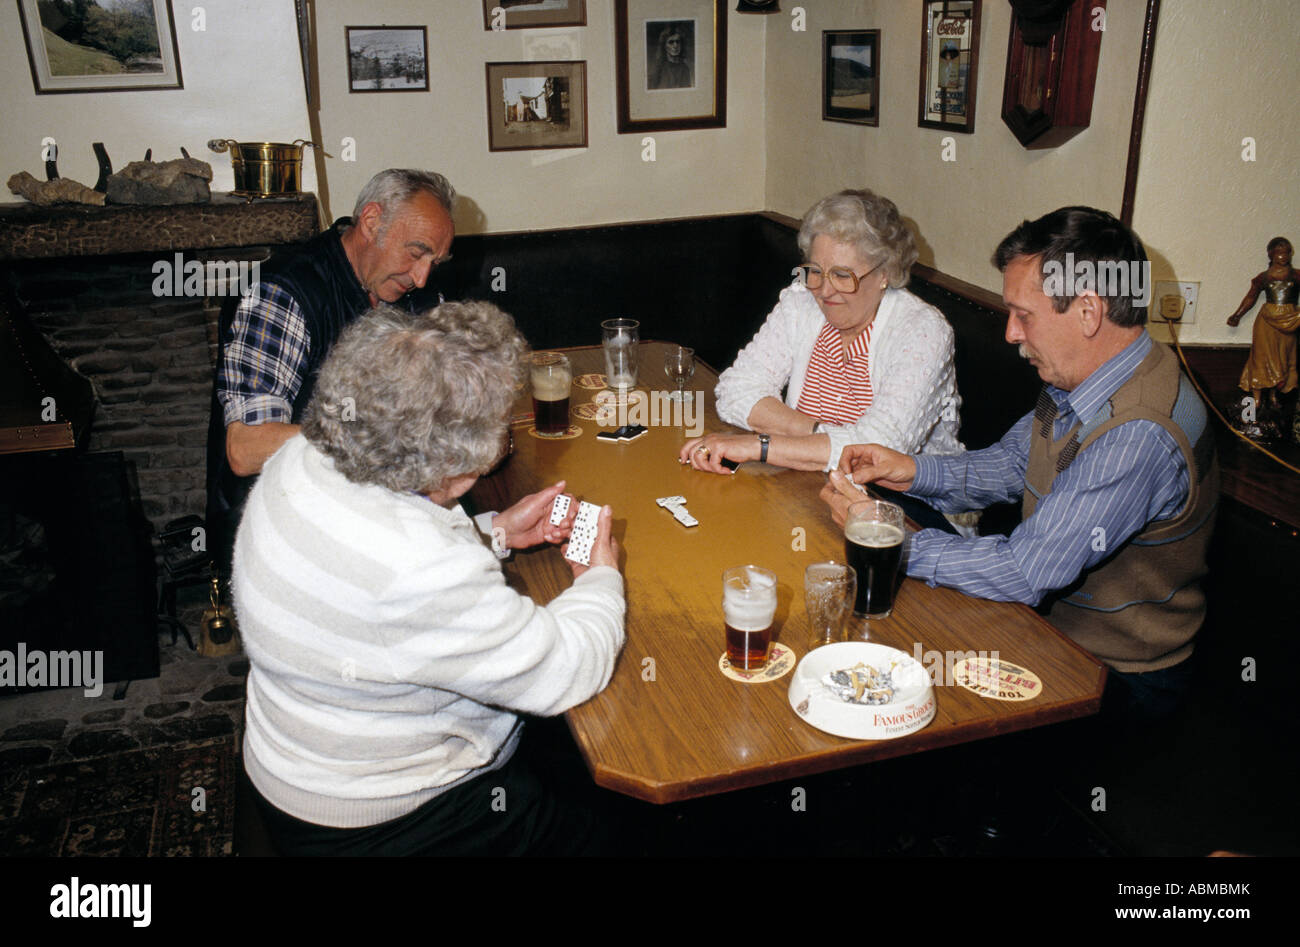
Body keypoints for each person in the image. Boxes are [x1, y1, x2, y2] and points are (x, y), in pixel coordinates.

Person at [235, 302, 625, 856]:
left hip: (292, 759)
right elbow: (566, 669)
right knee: (622, 826)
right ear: (461, 462)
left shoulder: (300, 457)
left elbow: (365, 585)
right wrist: (599, 575)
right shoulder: (417, 564)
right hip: (386, 820)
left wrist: (493, 533)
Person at [821, 206, 1218, 718]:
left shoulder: (1138, 433)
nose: (1010, 333)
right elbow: (1011, 466)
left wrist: (888, 541)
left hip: (1112, 676)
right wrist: (911, 470)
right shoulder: (1093, 373)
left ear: (1088, 312)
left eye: (1023, 315)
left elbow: (1025, 572)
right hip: (1045, 627)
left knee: (888, 706)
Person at [205, 168, 456, 571]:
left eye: (434, 261)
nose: (422, 276)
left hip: (365, 502)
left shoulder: (408, 293)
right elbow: (246, 448)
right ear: (372, 222)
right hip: (279, 526)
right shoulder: (281, 294)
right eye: (416, 252)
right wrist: (379, 440)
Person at [680, 189, 961, 503]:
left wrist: (762, 445)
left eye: (843, 275)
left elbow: (877, 450)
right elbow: (735, 390)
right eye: (815, 271)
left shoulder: (922, 329)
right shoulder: (801, 300)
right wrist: (814, 434)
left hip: (905, 508)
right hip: (802, 483)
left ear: (884, 273)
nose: (825, 290)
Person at [1227, 235, 1299, 409]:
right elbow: (1251, 297)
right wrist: (1237, 315)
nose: (1283, 256)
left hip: (1290, 321)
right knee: (1261, 359)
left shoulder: (1296, 276)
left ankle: (1274, 396)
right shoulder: (1264, 278)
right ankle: (1256, 398)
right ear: (1271, 255)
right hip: (1266, 321)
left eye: (1287, 253)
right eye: (1279, 253)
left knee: (1284, 358)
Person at [649, 25, 692, 89]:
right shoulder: (658, 68)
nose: (675, 45)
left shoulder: (685, 68)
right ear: (664, 46)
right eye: (671, 42)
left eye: (678, 42)